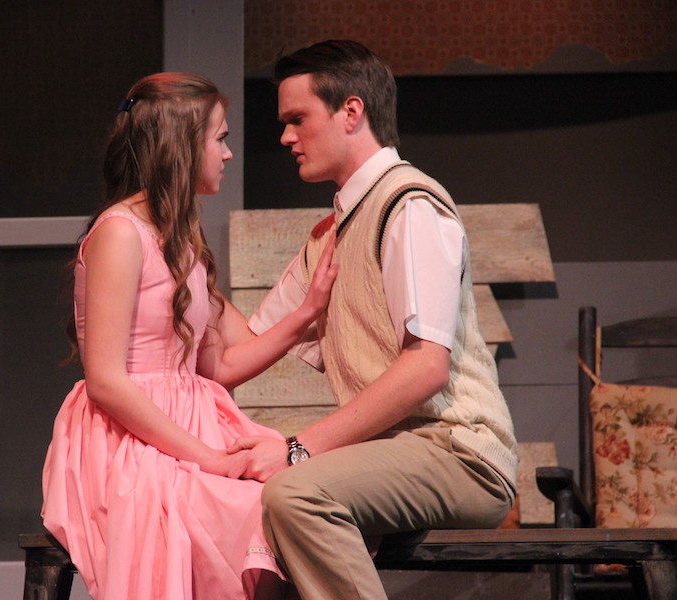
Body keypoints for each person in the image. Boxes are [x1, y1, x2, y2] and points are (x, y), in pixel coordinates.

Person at [228, 40, 518, 600]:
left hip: (459, 453)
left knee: (297, 492)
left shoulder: (409, 206)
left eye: (297, 119)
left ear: (351, 112)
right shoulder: (332, 233)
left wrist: (298, 448)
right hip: (390, 457)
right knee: (250, 511)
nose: (286, 137)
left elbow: (426, 368)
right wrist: (179, 258)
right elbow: (247, 343)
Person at [41, 72, 338, 600]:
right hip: (128, 436)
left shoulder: (182, 238)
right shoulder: (119, 234)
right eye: (219, 138)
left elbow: (220, 367)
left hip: (193, 423)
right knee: (250, 509)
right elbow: (107, 382)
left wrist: (307, 312)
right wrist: (207, 458)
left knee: (296, 492)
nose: (227, 154)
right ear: (180, 146)